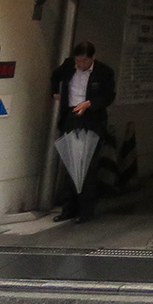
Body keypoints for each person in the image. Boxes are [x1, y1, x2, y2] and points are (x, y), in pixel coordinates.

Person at [49, 41, 116, 223]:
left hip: (91, 120)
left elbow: (109, 96)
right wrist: (55, 93)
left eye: (83, 62)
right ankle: (68, 209)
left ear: (92, 58)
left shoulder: (104, 72)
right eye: (77, 61)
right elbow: (54, 77)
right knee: (70, 164)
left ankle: (85, 211)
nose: (79, 65)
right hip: (71, 117)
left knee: (87, 166)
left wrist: (90, 104)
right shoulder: (69, 66)